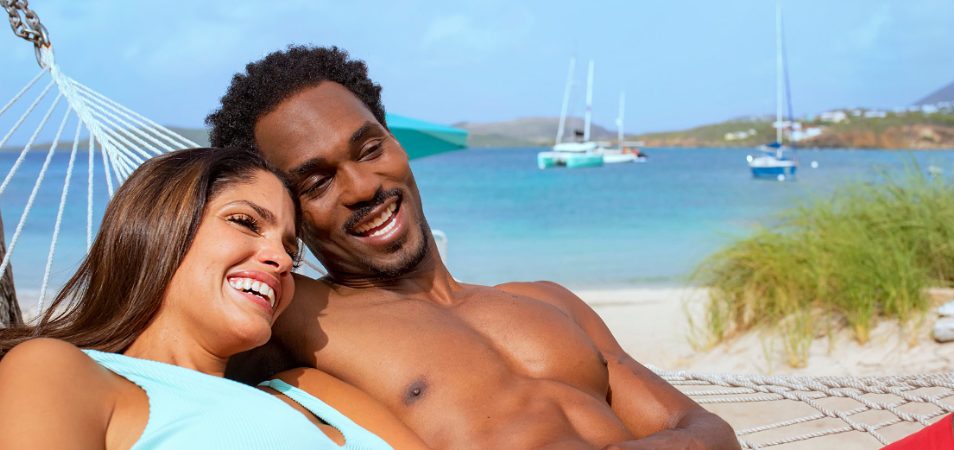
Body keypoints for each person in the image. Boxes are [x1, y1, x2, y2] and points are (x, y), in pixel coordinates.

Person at [208, 45, 740, 449]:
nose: (363, 188)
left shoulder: (550, 301)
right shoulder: (298, 314)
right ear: (284, 213)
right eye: (316, 183)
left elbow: (703, 429)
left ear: (396, 144)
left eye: (370, 149)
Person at [0, 148, 426, 449]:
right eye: (245, 222)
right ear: (161, 225)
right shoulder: (61, 372)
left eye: (290, 250)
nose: (280, 258)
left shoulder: (314, 392)